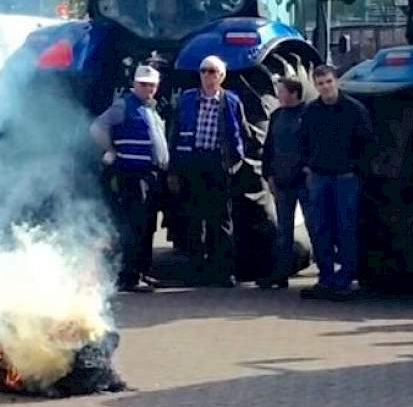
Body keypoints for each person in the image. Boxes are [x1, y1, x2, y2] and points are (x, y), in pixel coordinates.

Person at [168, 55, 250, 287]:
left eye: (212, 71)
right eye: (203, 71)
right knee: (194, 219)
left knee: (221, 220)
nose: (207, 75)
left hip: (218, 164)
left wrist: (235, 163)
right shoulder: (187, 99)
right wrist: (174, 169)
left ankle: (223, 272)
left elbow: (242, 134)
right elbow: (174, 134)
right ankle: (195, 271)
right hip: (192, 162)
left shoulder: (231, 102)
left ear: (222, 76)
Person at [90, 65, 169, 293]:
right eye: (143, 84)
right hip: (134, 174)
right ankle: (130, 276)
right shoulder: (124, 105)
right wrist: (111, 149)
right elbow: (97, 127)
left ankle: (142, 272)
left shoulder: (150, 108)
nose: (148, 88)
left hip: (151, 175)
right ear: (134, 84)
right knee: (135, 227)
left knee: (147, 226)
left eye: (152, 85)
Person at [299, 65, 373, 300]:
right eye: (320, 84)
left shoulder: (354, 109)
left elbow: (367, 143)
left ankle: (345, 279)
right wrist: (308, 165)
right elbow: (303, 140)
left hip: (346, 178)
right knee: (320, 228)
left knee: (346, 228)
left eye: (329, 82)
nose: (325, 87)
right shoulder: (311, 111)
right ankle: (326, 278)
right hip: (319, 177)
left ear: (336, 81)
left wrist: (355, 168)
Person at [257, 76, 308, 289]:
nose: (278, 95)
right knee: (283, 231)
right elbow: (269, 147)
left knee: (316, 227)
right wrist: (268, 174)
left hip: (305, 182)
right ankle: (281, 273)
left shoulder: (308, 114)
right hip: (282, 181)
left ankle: (327, 273)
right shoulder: (277, 115)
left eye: (281, 91)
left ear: (294, 93)